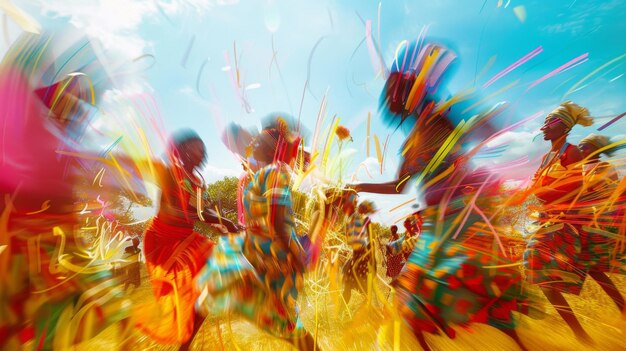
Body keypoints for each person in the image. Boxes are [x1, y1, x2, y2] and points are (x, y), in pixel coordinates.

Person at [351, 41, 534, 351]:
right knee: (413, 301)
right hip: (437, 225)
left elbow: (487, 128)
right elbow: (400, 187)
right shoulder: (410, 144)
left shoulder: (446, 115)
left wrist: (486, 125)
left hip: (464, 214)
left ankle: (521, 343)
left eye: (398, 92)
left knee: (479, 289)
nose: (394, 103)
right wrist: (357, 188)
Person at [215, 117, 319, 350]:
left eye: (258, 140)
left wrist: (289, 257)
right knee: (288, 326)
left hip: (276, 257)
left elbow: (277, 222)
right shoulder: (256, 173)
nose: (253, 142)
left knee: (291, 328)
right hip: (269, 255)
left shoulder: (271, 171)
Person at [135, 129, 240, 351]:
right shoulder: (171, 173)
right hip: (165, 240)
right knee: (187, 293)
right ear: (182, 150)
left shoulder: (199, 182)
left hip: (188, 238)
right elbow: (176, 211)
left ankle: (187, 340)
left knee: (212, 284)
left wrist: (226, 223)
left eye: (204, 151)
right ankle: (181, 341)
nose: (202, 154)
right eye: (197, 148)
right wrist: (222, 222)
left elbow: (201, 213)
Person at [523, 102, 595, 343]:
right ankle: (580, 334)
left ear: (563, 126)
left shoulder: (572, 152)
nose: (543, 127)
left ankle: (580, 333)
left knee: (535, 263)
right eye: (544, 123)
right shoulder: (547, 157)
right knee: (540, 277)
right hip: (546, 220)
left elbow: (575, 189)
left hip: (564, 221)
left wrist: (545, 190)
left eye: (549, 123)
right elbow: (536, 188)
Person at [576, 134, 626, 314]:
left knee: (597, 266)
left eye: (586, 147)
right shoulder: (578, 169)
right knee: (592, 268)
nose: (581, 150)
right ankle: (622, 306)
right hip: (585, 222)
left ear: (598, 149)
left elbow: (602, 192)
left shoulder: (604, 167)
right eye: (580, 147)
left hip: (604, 220)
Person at [342, 199, 377, 304]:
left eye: (366, 209)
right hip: (359, 255)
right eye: (364, 207)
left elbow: (351, 240)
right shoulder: (358, 218)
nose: (364, 210)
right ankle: (345, 309)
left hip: (360, 254)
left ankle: (359, 310)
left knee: (353, 284)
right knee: (360, 285)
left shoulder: (356, 218)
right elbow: (355, 240)